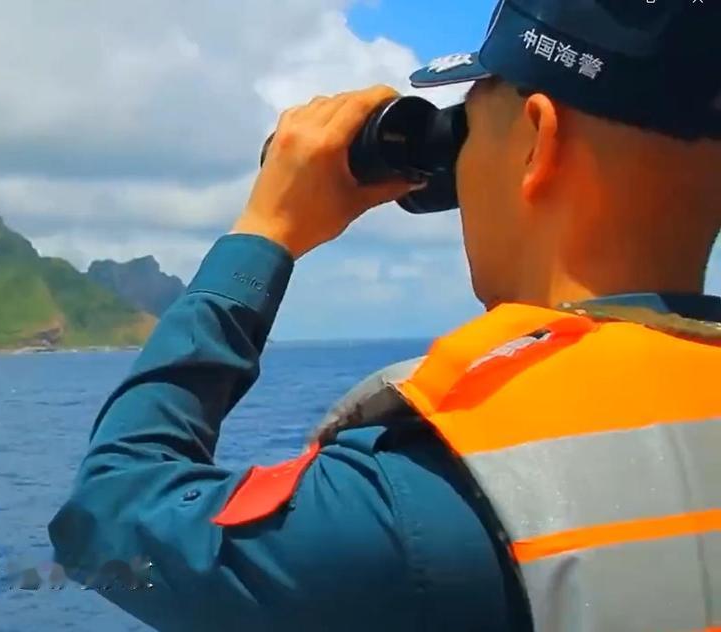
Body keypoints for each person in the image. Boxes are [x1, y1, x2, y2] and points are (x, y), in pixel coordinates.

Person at [48, 0, 721, 630]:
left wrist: (265, 230)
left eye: (471, 122)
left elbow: (107, 517)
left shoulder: (414, 501)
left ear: (537, 142)